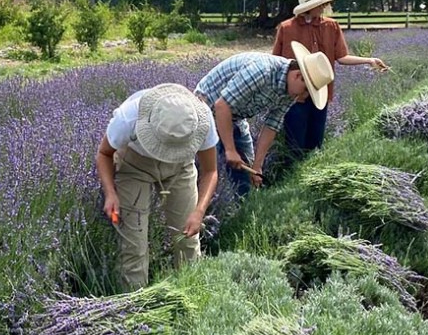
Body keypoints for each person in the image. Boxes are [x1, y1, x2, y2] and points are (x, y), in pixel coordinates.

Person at [96, 83, 219, 291]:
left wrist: (199, 212)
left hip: (180, 168)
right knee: (134, 246)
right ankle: (136, 307)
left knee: (187, 239)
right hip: (134, 166)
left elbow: (210, 171)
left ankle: (192, 296)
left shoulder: (202, 119)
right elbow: (103, 154)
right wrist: (110, 193)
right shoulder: (129, 116)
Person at [194, 46, 334, 195]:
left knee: (246, 173)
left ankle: (241, 210)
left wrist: (257, 166)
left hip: (235, 117)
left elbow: (272, 125)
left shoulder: (290, 91)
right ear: (298, 76)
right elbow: (222, 106)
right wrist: (230, 150)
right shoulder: (262, 71)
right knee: (210, 170)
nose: (305, 97)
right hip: (206, 109)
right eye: (306, 90)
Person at [272, 0, 389, 156]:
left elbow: (341, 57)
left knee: (315, 146)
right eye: (321, 4)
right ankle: (293, 179)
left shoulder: (332, 26)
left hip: (321, 93)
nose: (325, 7)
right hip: (294, 97)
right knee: (294, 147)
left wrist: (369, 60)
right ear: (310, 7)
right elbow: (276, 63)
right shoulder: (287, 28)